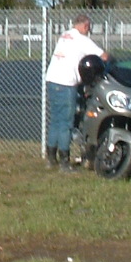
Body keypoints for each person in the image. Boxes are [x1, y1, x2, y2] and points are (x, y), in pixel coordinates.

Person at [44, 13, 108, 171]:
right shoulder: (82, 40)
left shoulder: (65, 35)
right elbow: (103, 57)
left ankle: (51, 158)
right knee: (66, 123)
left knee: (56, 121)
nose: (89, 30)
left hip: (52, 80)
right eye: (89, 28)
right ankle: (65, 163)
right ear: (85, 26)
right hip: (66, 83)